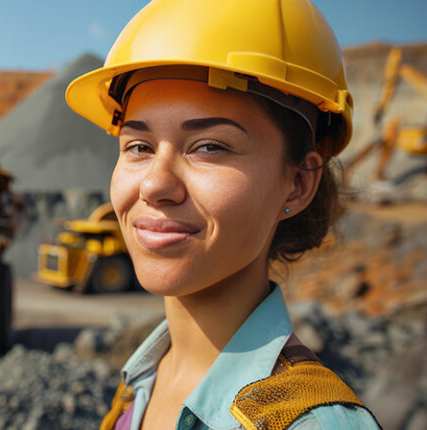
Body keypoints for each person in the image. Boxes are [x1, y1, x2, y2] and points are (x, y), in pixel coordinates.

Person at [65, 0, 381, 429]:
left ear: (299, 183)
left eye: (210, 146)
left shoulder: (314, 424)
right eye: (138, 146)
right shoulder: (137, 389)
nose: (155, 185)